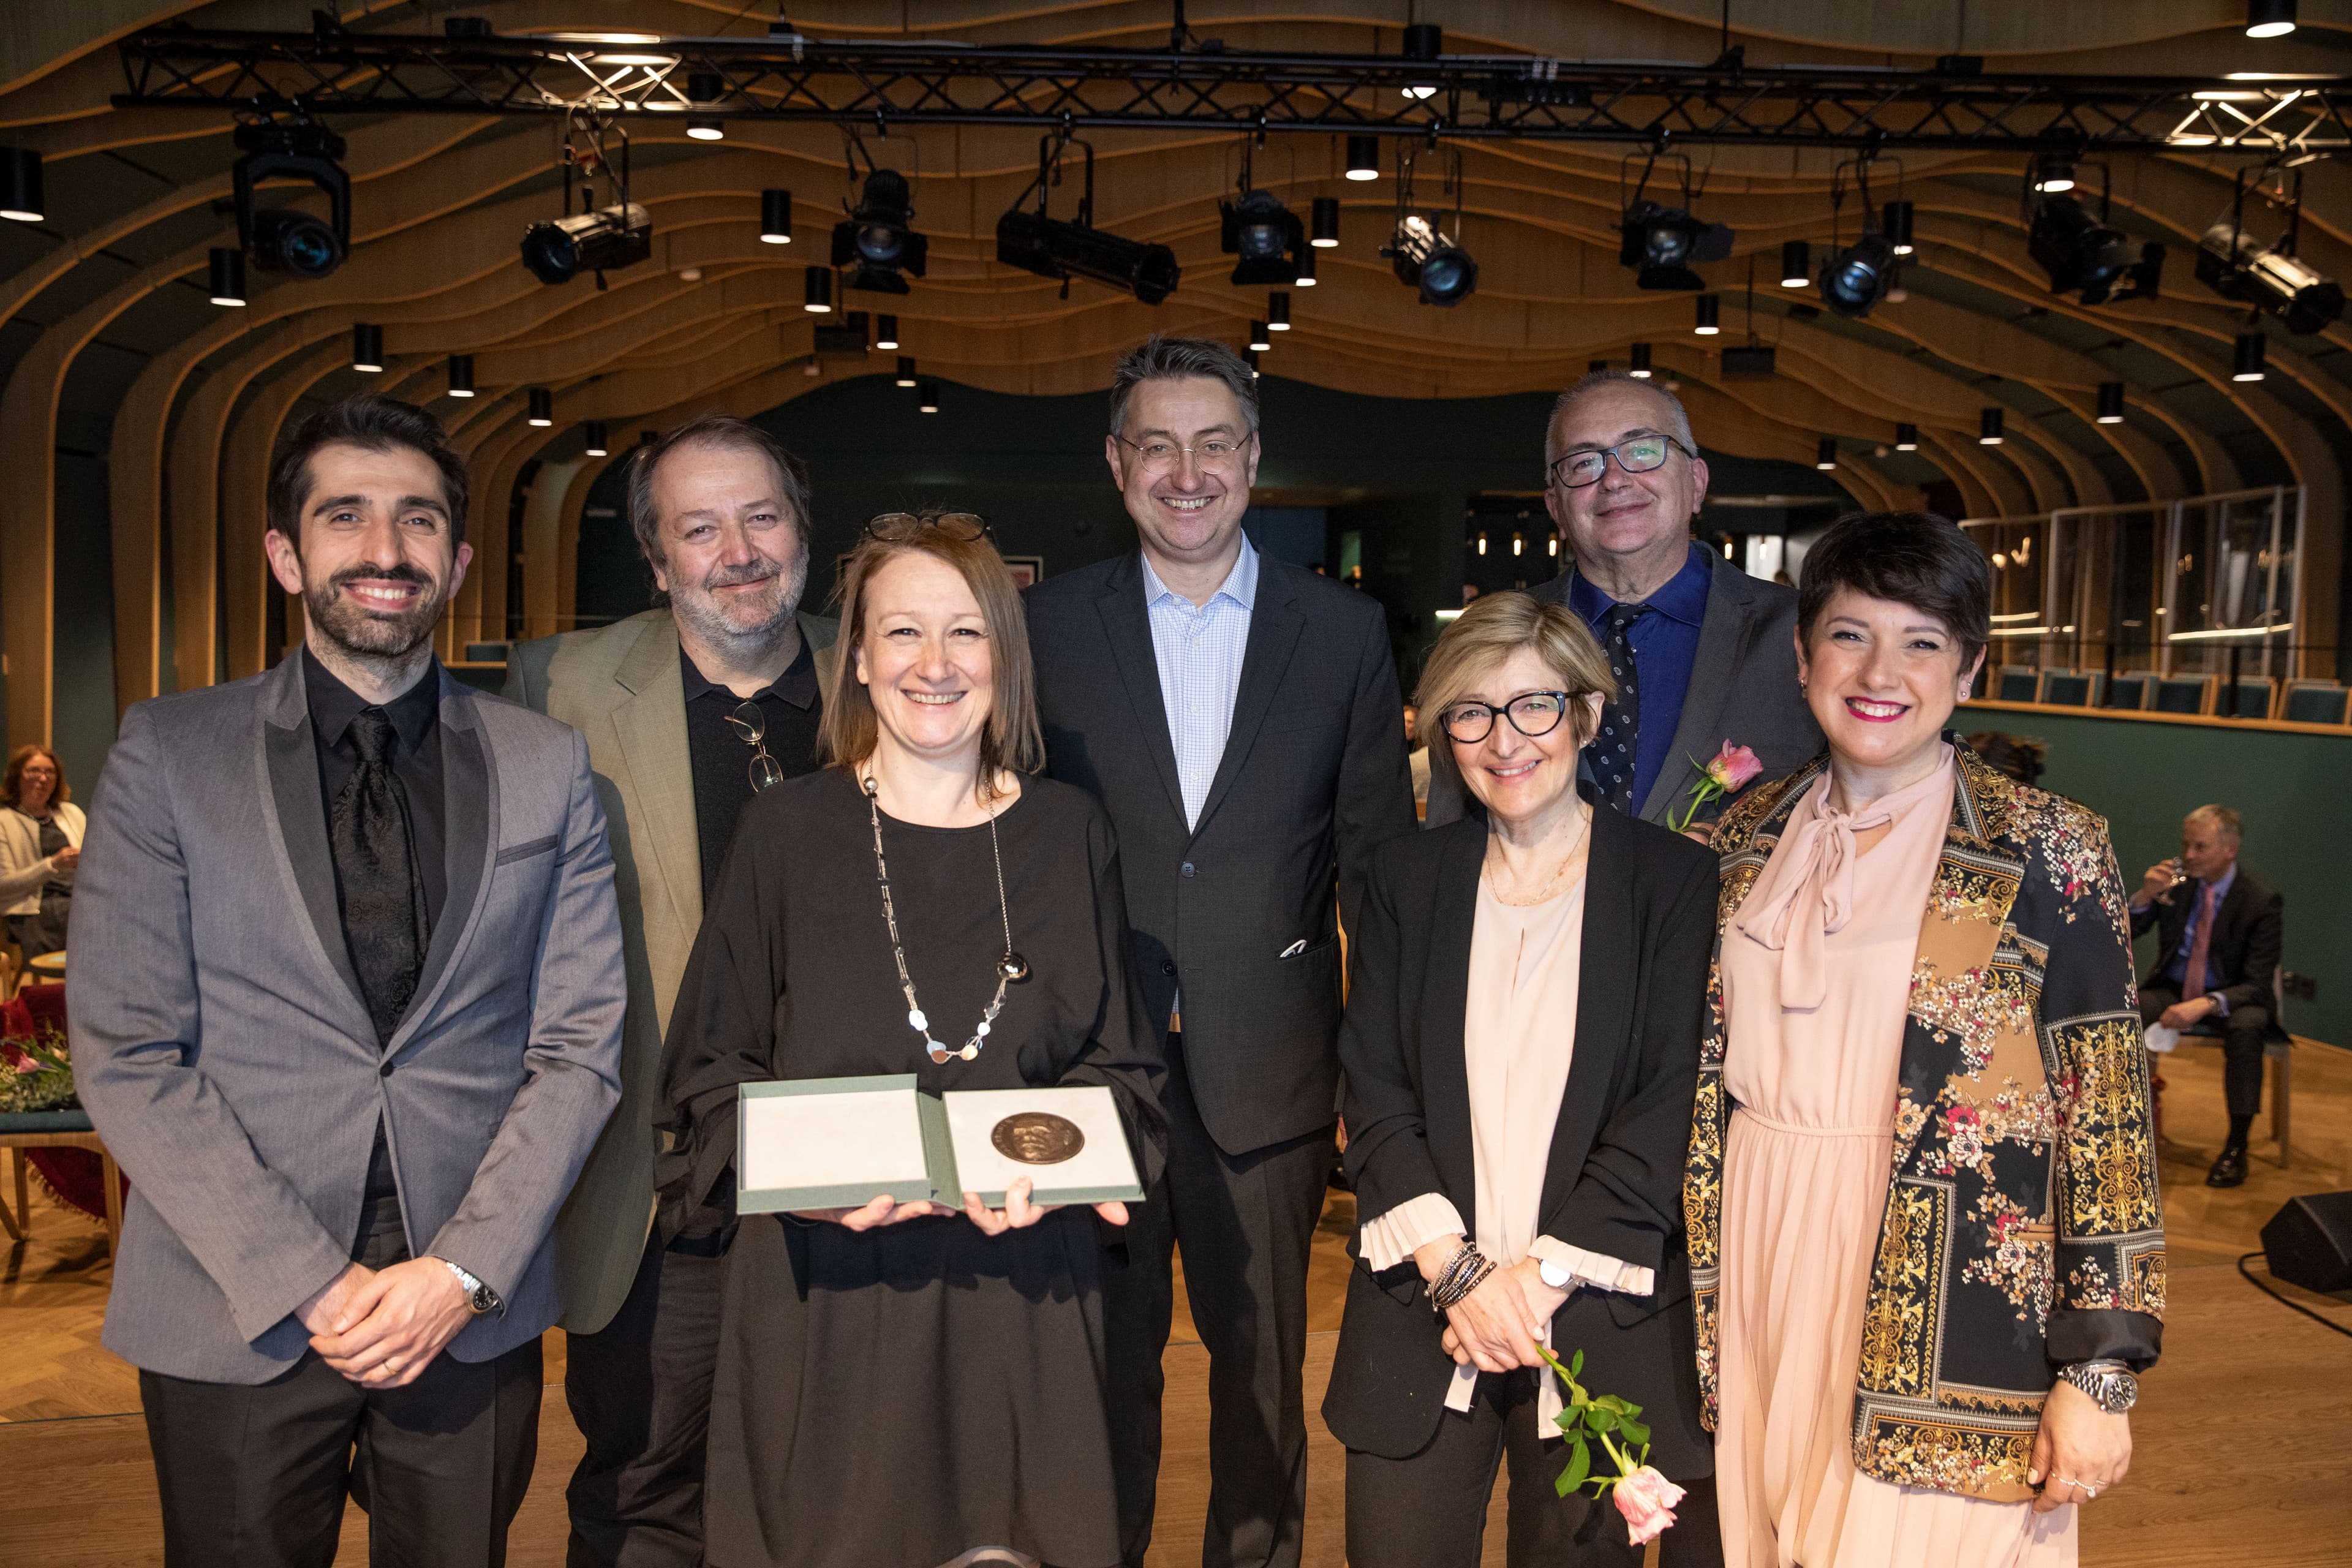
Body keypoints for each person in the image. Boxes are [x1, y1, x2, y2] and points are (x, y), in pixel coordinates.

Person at [70, 394, 627, 1565]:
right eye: (346, 517)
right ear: (286, 554)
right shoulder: (168, 753)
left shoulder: (547, 765)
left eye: (418, 522)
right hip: (240, 1303)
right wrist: (308, 1281)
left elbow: (578, 1046)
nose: (385, 551)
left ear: (458, 558)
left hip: (463, 1315)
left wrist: (460, 1273)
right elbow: (127, 1051)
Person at [657, 511, 1167, 1568]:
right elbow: (709, 1072)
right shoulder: (788, 833)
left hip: (1024, 1293)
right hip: (833, 1300)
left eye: (966, 633)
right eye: (902, 633)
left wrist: (1085, 1169)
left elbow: (1123, 1068)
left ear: (1005, 659)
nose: (934, 666)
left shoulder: (1072, 833)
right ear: (857, 660)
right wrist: (803, 1180)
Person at [1688, 511, 2162, 1568]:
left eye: (1923, 642)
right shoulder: (1737, 837)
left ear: (1971, 668)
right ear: (1805, 655)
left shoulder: (2050, 847)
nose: (1881, 671)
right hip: (1760, 1261)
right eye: (1852, 634)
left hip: (1951, 1293)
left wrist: (2101, 1374)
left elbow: (2110, 1125)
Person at [1025, 335, 1417, 1568]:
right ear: (1116, 460)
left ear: (1251, 458)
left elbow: (1378, 870)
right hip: (1096, 1076)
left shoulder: (1344, 633)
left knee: (1259, 1393)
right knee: (1097, 1378)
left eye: (1213, 443)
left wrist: (1377, 1079)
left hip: (1277, 1076)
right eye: (1158, 444)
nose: (1185, 470)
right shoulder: (1044, 626)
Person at [1322, 592, 1716, 1567]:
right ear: (1444, 731)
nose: (1506, 739)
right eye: (1473, 712)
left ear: (1584, 713)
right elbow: (1371, 1087)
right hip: (1423, 1314)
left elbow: (1667, 1103)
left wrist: (1531, 1285)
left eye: (1535, 706)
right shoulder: (1403, 880)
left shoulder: (1670, 881)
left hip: (1596, 1317)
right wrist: (1460, 1276)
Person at [506, 413, 839, 1566]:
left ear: (802, 531)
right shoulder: (562, 687)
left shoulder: (897, 670)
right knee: (643, 1490)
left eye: (762, 517)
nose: (738, 551)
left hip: (864, 1182)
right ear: (657, 563)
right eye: (699, 529)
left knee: (845, 1488)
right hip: (661, 1194)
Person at [1427, 371, 1819, 833]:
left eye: (1643, 451)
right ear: (1555, 506)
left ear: (1696, 481)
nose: (1614, 479)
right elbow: (1449, 837)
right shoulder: (1486, 641)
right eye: (1582, 463)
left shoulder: (1807, 632)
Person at [2130, 803, 2283, 1188]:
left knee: (2248, 1029)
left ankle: (2236, 1147)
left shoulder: (2260, 901)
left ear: (2230, 849)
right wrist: (2145, 898)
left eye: (2201, 847)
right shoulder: (2177, 886)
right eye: (2187, 845)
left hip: (2232, 998)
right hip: (2174, 989)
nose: (2189, 856)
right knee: (2127, 1011)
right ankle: (2129, 1127)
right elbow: (2125, 935)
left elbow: (2258, 983)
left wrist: (2207, 1003)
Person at [1, 744, 83, 960]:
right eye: (34, 771)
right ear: (17, 776)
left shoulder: (71, 813)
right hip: (32, 909)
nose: (43, 778)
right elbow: (4, 887)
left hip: (78, 899)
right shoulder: (3, 820)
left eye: (50, 772)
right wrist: (53, 865)